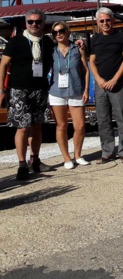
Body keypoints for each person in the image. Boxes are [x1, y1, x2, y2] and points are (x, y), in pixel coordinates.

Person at [0, 9, 55, 179]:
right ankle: (22, 164)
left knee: (37, 126)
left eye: (37, 21)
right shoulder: (16, 41)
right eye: (30, 22)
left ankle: (35, 160)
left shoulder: (47, 42)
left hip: (40, 89)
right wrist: (1, 90)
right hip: (19, 89)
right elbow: (3, 65)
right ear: (26, 23)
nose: (34, 24)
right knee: (22, 128)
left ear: (43, 23)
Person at [89, 7, 123, 164]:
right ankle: (107, 151)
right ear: (97, 22)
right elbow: (92, 61)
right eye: (102, 21)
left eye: (108, 20)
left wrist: (115, 79)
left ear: (113, 20)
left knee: (122, 118)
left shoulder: (122, 38)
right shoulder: (94, 39)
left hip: (118, 84)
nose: (105, 23)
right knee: (102, 119)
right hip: (100, 85)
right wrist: (98, 79)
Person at [48, 21, 90, 170]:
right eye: (55, 32)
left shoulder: (78, 48)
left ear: (68, 32)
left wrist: (86, 90)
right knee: (62, 125)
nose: (58, 34)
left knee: (79, 126)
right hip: (56, 91)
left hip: (76, 89)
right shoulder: (51, 50)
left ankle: (78, 155)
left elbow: (86, 70)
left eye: (61, 31)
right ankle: (66, 158)